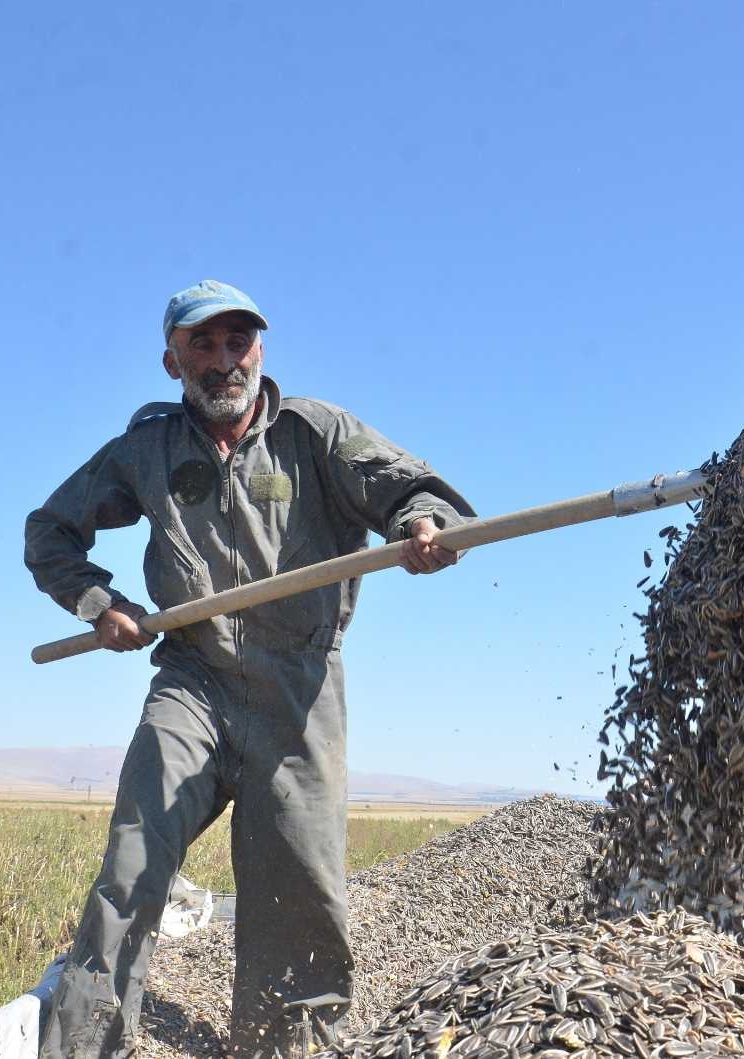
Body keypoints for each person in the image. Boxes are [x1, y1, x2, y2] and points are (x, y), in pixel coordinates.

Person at [25, 280, 474, 1059]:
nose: (224, 360)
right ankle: (84, 1047)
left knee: (296, 891)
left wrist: (422, 527)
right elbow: (49, 532)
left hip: (298, 690)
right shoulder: (148, 449)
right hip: (193, 679)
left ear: (260, 351)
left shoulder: (315, 432)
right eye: (203, 344)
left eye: (239, 342)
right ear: (172, 361)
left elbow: (422, 494)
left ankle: (278, 1048)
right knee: (133, 862)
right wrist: (99, 603)